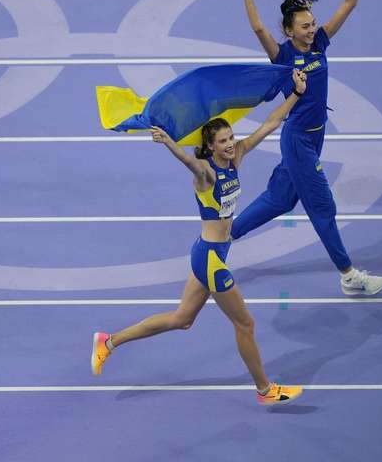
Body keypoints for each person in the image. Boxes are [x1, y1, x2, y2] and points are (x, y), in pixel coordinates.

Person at [92, 69, 309, 406]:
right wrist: (169, 144)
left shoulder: (236, 156)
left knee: (182, 319)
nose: (229, 144)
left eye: (230, 138)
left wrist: (294, 94)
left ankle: (108, 341)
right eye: (222, 142)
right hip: (209, 259)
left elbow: (269, 123)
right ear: (209, 147)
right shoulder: (206, 174)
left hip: (209, 253)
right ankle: (265, 390)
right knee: (245, 323)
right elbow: (189, 165)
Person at [224, 0, 382, 296]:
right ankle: (349, 276)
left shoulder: (321, 43)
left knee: (280, 199)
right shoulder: (282, 56)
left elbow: (349, 3)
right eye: (304, 26)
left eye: (312, 23)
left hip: (315, 135)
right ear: (289, 31)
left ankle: (224, 236)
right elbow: (257, 29)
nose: (311, 29)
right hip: (298, 139)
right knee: (322, 207)